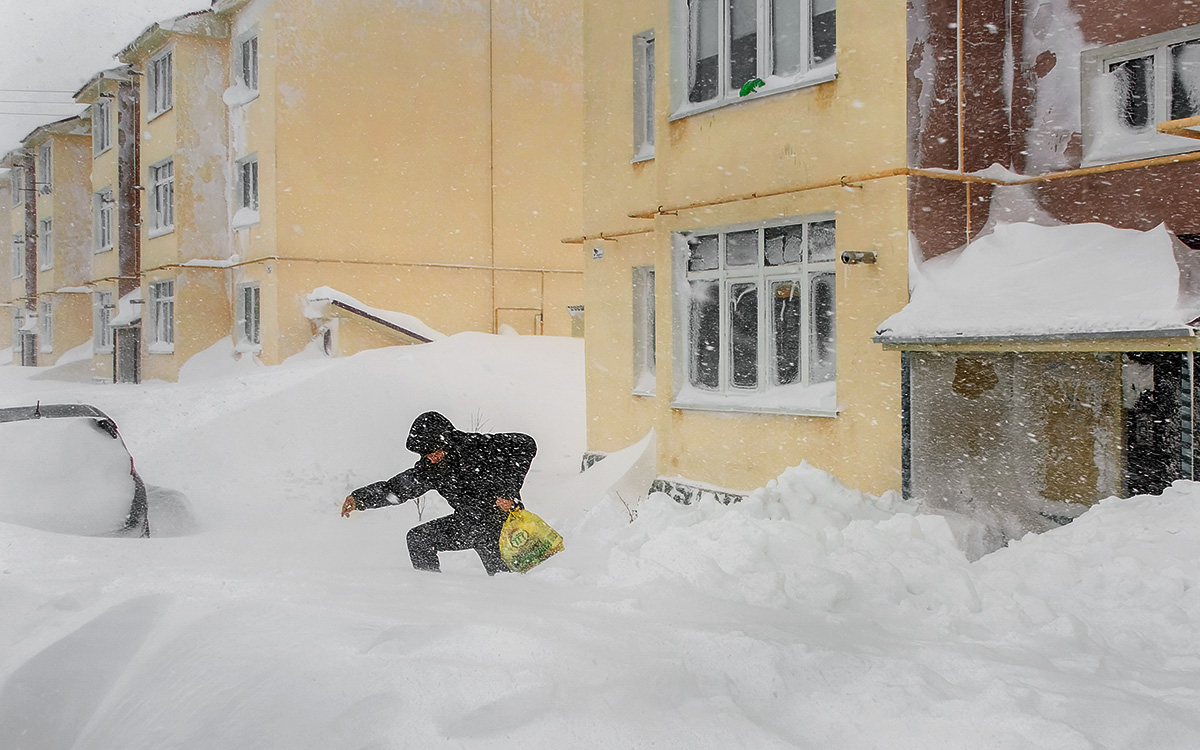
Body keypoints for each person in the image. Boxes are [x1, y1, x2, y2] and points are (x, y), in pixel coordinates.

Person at [341, 411, 537, 575]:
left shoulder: (476, 446)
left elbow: (526, 444)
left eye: (435, 450)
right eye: (426, 453)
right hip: (468, 524)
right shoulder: (432, 470)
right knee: (419, 539)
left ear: (447, 440)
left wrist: (508, 491)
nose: (432, 457)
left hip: (502, 526)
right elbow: (397, 489)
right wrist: (360, 499)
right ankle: (431, 591)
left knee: (506, 585)